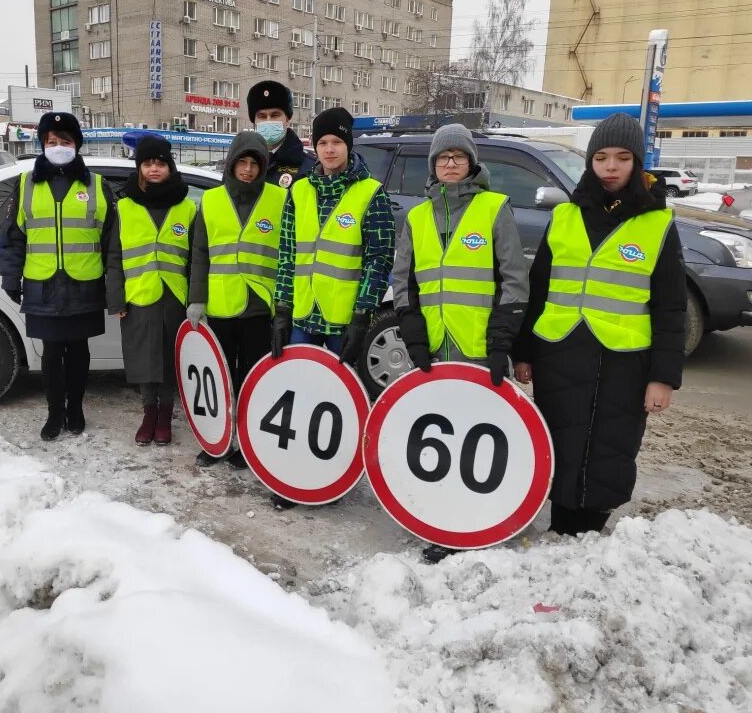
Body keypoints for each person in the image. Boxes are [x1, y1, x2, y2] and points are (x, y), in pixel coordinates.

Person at [513, 112, 686, 537]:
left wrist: (663, 378)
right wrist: (524, 353)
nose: (611, 167)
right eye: (602, 157)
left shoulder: (657, 223)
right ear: (590, 162)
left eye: (622, 157)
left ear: (637, 162)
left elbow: (671, 308)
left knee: (612, 444)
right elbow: (539, 291)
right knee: (559, 439)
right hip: (561, 352)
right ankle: (560, 524)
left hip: (624, 360)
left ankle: (591, 529)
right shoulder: (566, 216)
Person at [391, 123, 529, 564]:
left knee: (481, 437)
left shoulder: (493, 209)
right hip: (433, 348)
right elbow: (404, 282)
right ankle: (443, 517)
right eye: (442, 157)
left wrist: (501, 340)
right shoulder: (415, 217)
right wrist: (412, 334)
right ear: (432, 165)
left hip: (477, 348)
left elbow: (513, 279)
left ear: (472, 162)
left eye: (458, 156)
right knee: (440, 435)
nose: (450, 164)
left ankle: (480, 516)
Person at [270, 106, 395, 509]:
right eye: (322, 142)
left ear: (348, 144)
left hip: (343, 317)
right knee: (299, 394)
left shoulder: (371, 193)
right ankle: (294, 476)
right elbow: (287, 253)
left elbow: (380, 259)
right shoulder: (299, 191)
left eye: (336, 142)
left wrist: (364, 313)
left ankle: (333, 476)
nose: (328, 149)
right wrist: (281, 308)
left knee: (341, 402)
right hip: (304, 315)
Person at [0, 112, 114, 441]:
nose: (59, 146)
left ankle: (75, 409)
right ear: (42, 145)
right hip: (43, 285)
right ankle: (54, 413)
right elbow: (12, 238)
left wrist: (112, 284)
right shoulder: (25, 185)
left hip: (83, 284)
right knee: (50, 354)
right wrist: (10, 277)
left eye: (66, 141)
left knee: (78, 352)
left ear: (77, 145)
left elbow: (109, 241)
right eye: (52, 141)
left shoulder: (97, 185)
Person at [188, 131, 284, 469]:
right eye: (241, 162)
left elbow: (288, 253)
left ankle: (246, 442)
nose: (247, 170)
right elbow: (199, 253)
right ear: (231, 164)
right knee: (221, 378)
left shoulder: (280, 199)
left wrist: (283, 304)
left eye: (253, 163)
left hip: (260, 306)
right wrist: (196, 299)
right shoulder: (211, 201)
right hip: (221, 306)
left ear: (262, 167)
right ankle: (218, 440)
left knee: (252, 380)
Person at [106, 135, 196, 446]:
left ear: (169, 166)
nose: (154, 168)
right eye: (147, 163)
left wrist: (195, 299)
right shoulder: (125, 207)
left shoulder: (187, 208)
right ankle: (149, 413)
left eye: (160, 163)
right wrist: (116, 297)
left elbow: (196, 259)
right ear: (139, 168)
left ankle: (166, 414)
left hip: (175, 297)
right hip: (138, 296)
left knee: (171, 359)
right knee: (143, 359)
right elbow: (114, 257)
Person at [246, 80, 315, 190]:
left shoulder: (309, 167)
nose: (268, 121)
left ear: (287, 120)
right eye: (262, 116)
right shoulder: (241, 162)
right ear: (254, 122)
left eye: (275, 115)